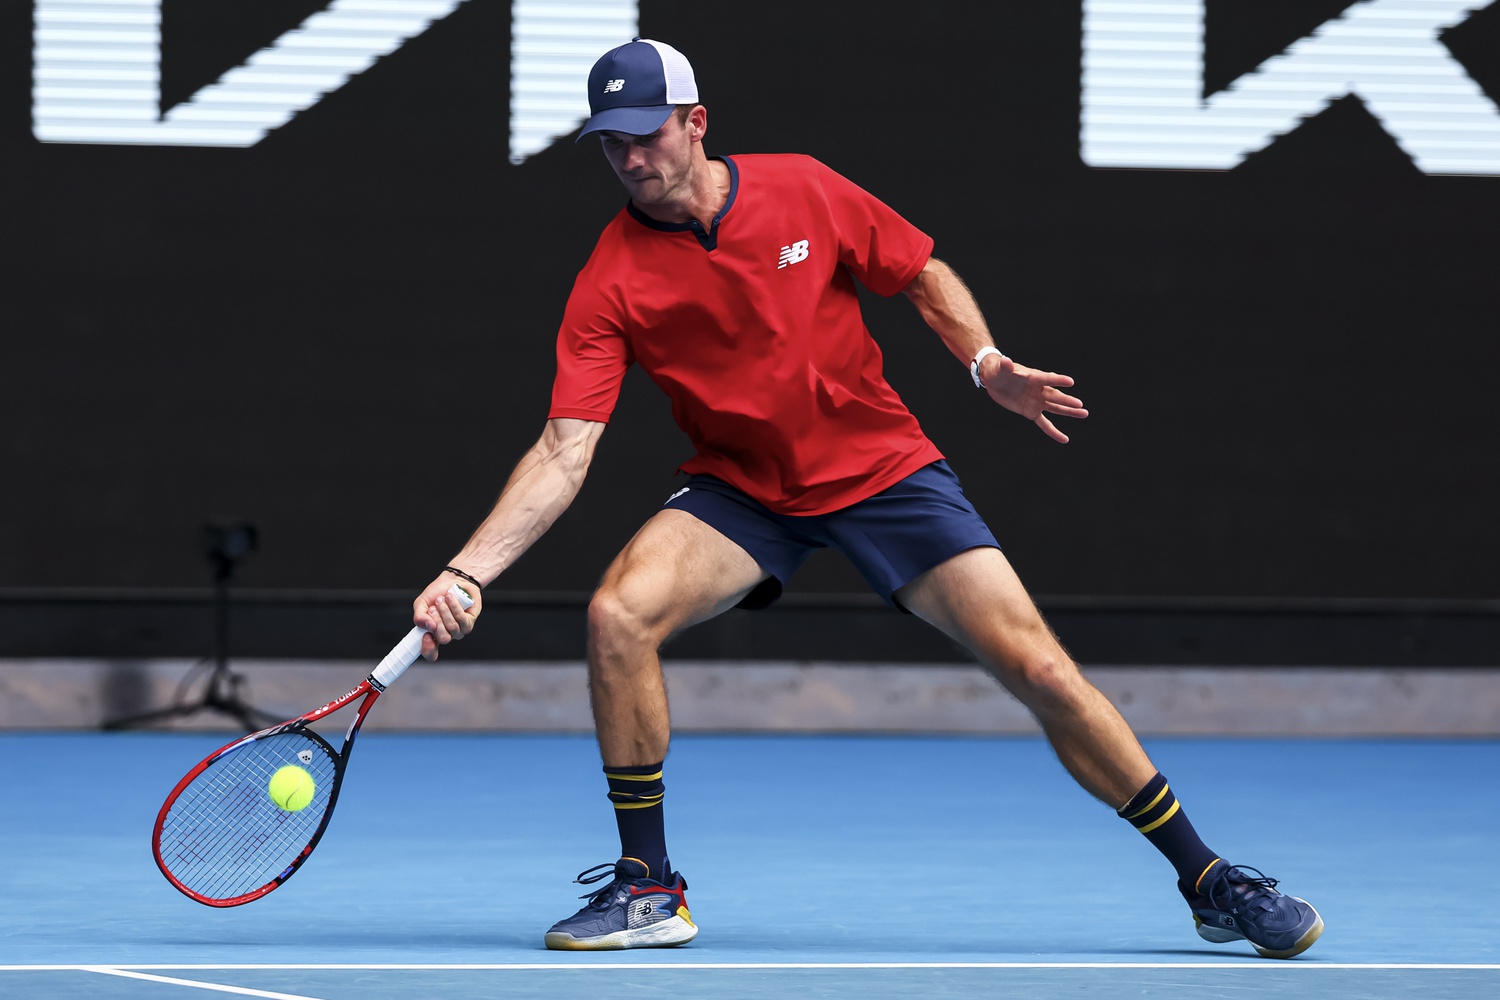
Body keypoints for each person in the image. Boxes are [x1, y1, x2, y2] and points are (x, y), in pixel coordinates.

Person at [411, 38, 1323, 959]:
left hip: (882, 471)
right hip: (743, 489)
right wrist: (468, 572)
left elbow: (919, 270)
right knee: (617, 614)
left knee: (1041, 669)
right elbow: (566, 448)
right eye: (612, 144)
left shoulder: (802, 187)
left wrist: (986, 364)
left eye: (646, 136)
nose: (631, 160)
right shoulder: (609, 276)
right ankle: (648, 889)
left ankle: (1207, 877)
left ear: (696, 123)